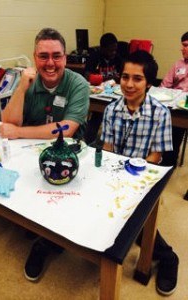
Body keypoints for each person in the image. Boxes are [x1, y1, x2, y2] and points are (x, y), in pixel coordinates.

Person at [0, 28, 90, 281]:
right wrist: (20, 89)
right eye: (43, 56)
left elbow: (67, 128)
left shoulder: (78, 84)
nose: (50, 63)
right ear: (34, 57)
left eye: (56, 56)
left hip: (69, 156)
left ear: (65, 57)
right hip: (31, 151)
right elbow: (8, 124)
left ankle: (45, 243)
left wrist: (19, 132)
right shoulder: (29, 81)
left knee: (59, 202)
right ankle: (34, 225)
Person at [100, 50, 179, 296]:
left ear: (149, 83)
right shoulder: (111, 110)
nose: (129, 84)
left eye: (137, 78)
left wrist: (128, 183)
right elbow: (107, 149)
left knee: (137, 225)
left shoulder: (160, 113)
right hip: (115, 175)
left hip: (143, 178)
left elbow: (156, 158)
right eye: (125, 77)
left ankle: (168, 258)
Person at [84, 33, 123, 145]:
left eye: (115, 50)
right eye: (111, 50)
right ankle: (89, 141)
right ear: (102, 48)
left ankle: (114, 143)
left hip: (115, 93)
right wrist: (109, 78)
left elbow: (122, 75)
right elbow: (88, 77)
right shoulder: (94, 57)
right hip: (98, 94)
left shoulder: (117, 58)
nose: (113, 53)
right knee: (97, 114)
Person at [160, 31, 188, 167]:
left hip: (185, 110)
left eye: (186, 45)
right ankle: (162, 158)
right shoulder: (178, 64)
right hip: (174, 107)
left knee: (176, 129)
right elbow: (164, 85)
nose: (182, 49)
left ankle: (169, 162)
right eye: (182, 45)